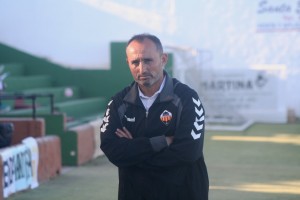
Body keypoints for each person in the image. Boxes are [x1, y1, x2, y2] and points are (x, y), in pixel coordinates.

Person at [100, 33, 209, 200]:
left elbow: (188, 152)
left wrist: (133, 151)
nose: (142, 69)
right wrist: (162, 141)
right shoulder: (118, 103)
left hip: (183, 193)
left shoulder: (187, 98)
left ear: (163, 59)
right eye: (135, 62)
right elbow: (112, 149)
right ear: (128, 63)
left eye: (148, 60)